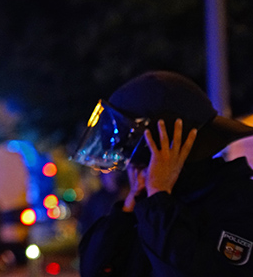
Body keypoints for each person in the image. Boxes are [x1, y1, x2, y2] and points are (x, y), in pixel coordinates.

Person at [72, 70, 253, 276]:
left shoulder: (237, 203)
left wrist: (159, 199)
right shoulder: (144, 208)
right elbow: (95, 271)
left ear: (162, 142)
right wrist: (129, 209)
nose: (127, 161)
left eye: (129, 144)